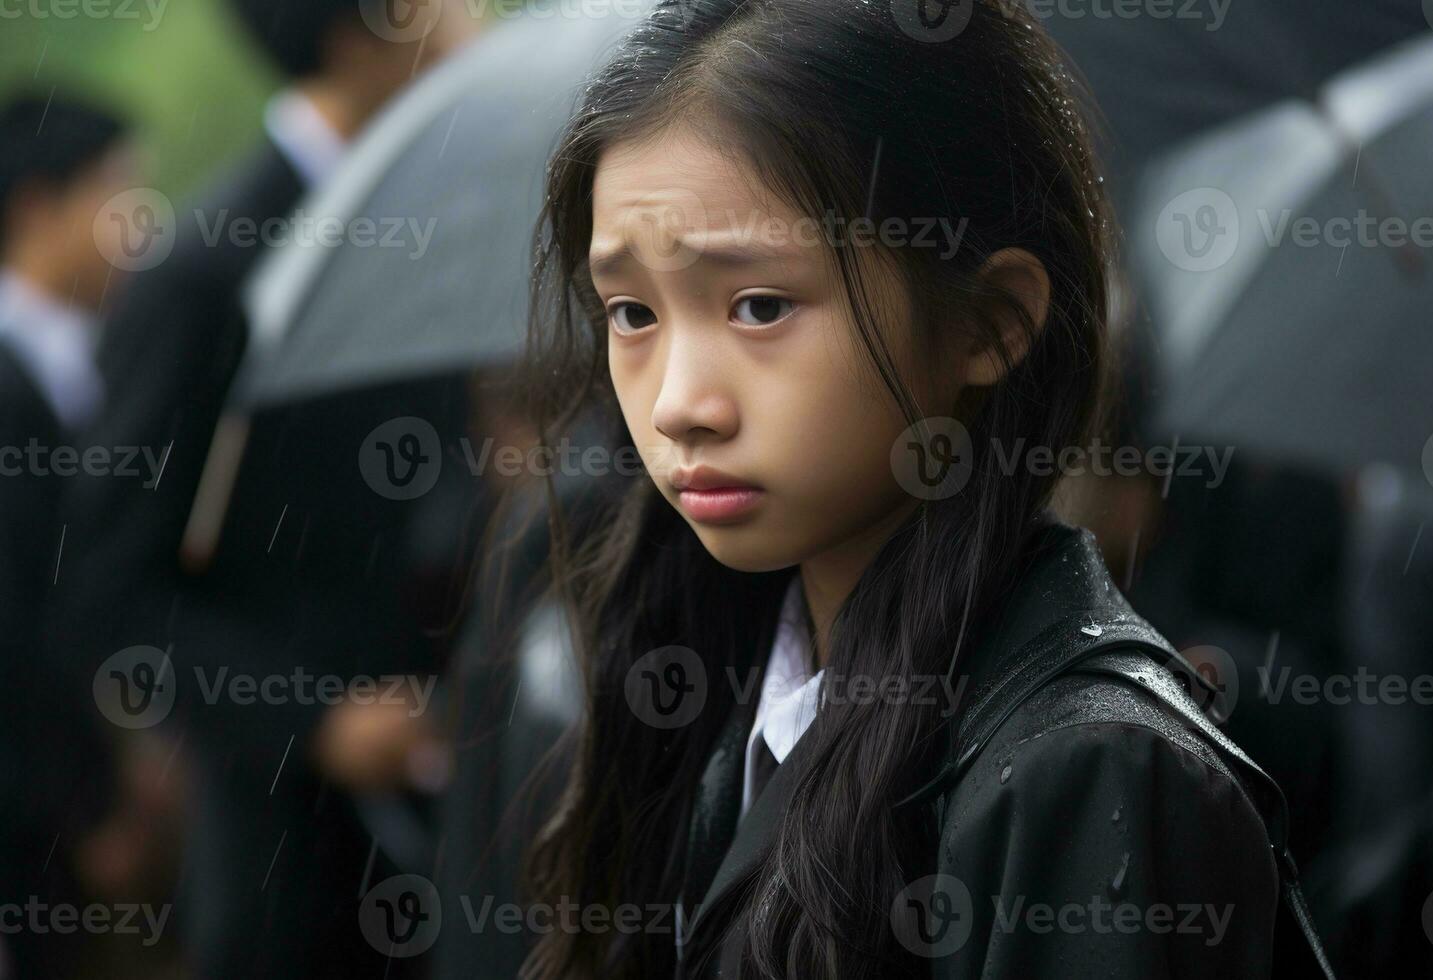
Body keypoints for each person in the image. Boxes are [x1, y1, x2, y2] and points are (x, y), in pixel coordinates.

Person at [506, 2, 1333, 977]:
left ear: (988, 322)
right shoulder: (713, 702)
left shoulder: (1091, 771)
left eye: (760, 304)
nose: (681, 403)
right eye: (632, 310)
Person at [47, 2, 476, 977]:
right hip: (290, 860)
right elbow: (107, 592)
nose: (474, 19)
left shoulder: (442, 232)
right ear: (353, 34)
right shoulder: (205, 275)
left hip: (459, 821)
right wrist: (317, 718)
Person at [0, 93, 135, 979]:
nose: (139, 223)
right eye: (118, 194)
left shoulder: (101, 357)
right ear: (37, 209)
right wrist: (85, 811)